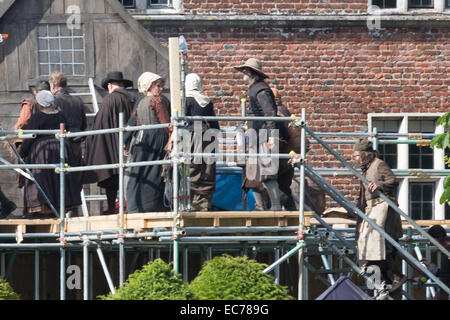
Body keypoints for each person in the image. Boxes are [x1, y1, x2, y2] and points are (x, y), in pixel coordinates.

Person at [234, 58, 289, 211]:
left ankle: (277, 204)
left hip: (263, 136)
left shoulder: (261, 90)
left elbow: (270, 114)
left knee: (267, 171)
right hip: (255, 135)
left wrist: (271, 136)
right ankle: (271, 200)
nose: (243, 73)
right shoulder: (255, 88)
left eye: (246, 70)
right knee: (253, 172)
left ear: (252, 72)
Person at [353, 138, 406, 292]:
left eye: (357, 155)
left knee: (380, 248)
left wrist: (380, 185)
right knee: (366, 251)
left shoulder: (378, 164)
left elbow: (393, 180)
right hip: (371, 210)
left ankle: (392, 278)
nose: (355, 159)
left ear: (364, 154)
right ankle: (382, 284)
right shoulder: (365, 168)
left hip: (383, 209)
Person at [19, 90, 82, 218]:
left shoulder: (38, 117)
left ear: (40, 104)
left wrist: (22, 152)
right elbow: (70, 128)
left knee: (42, 177)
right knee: (58, 177)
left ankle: (42, 209)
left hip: (43, 151)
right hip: (61, 148)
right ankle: (59, 207)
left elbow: (30, 136)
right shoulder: (61, 116)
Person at [83, 71, 134, 215]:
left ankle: (112, 208)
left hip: (110, 145)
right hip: (129, 143)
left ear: (110, 85)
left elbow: (100, 124)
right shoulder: (132, 99)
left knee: (111, 177)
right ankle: (128, 207)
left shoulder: (109, 99)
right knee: (128, 178)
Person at [124, 72, 172, 213]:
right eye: (158, 86)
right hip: (156, 138)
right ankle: (153, 205)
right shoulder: (157, 101)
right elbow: (166, 123)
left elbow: (136, 122)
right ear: (149, 86)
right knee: (155, 171)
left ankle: (135, 206)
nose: (161, 89)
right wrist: (171, 140)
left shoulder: (141, 102)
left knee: (140, 170)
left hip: (142, 138)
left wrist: (126, 140)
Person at [185, 73, 219, 211]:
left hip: (193, 136)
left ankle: (192, 203)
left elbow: (182, 121)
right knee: (207, 169)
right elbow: (215, 125)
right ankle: (204, 204)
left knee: (192, 167)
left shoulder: (186, 100)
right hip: (209, 136)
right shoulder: (207, 101)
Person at [50, 71, 87, 167]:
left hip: (60, 144)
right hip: (76, 143)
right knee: (76, 175)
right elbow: (84, 124)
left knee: (61, 176)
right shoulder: (78, 101)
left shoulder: (53, 101)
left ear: (53, 85)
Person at [421, 225, 450, 300]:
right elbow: (445, 273)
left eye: (431, 239)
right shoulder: (445, 249)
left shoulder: (447, 250)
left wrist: (442, 293)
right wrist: (430, 266)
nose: (430, 242)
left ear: (439, 238)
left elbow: (446, 275)